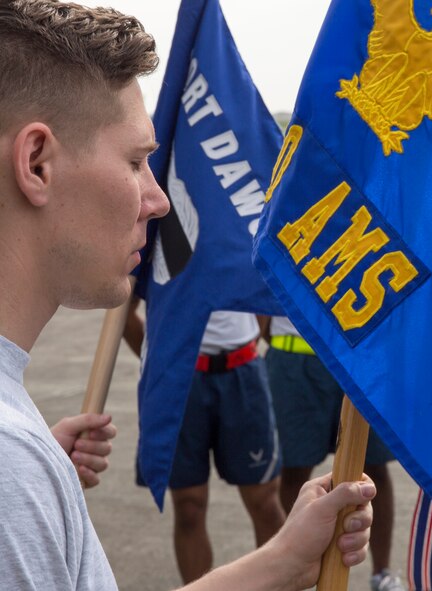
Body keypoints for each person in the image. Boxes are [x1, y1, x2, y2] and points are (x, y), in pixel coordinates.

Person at [0, 1, 375, 589]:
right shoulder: (10, 464)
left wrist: (281, 561)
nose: (159, 199)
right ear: (37, 163)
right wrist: (23, 474)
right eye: (136, 160)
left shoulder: (18, 456)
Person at [125, 307, 285, 583]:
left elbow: (260, 294)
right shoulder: (155, 259)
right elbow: (124, 309)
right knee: (189, 507)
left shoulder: (238, 259)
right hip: (177, 381)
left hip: (241, 374)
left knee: (265, 503)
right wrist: (163, 361)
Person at [264, 316, 406, 591]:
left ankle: (382, 575)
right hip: (295, 357)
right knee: (295, 468)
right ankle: (295, 567)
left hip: (362, 352)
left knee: (374, 468)